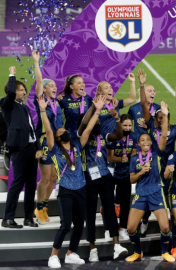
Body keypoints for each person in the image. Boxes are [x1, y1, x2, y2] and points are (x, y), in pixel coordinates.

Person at [40, 95, 105, 268]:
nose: (65, 132)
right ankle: (53, 256)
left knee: (79, 225)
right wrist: (42, 110)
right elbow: (48, 130)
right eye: (61, 133)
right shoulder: (55, 150)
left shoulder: (77, 147)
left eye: (65, 131)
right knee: (65, 225)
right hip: (66, 190)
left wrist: (97, 111)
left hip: (81, 189)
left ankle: (71, 253)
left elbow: (87, 130)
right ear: (58, 138)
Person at [77, 94, 128, 262]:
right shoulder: (82, 138)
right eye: (95, 120)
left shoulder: (103, 137)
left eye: (98, 120)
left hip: (105, 176)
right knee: (90, 213)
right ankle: (92, 249)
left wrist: (118, 119)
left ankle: (116, 245)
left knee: (110, 210)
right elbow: (85, 124)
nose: (98, 122)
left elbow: (119, 135)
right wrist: (96, 110)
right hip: (89, 177)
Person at [124, 101, 175, 263]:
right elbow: (131, 179)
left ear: (151, 142)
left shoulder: (157, 153)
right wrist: (140, 172)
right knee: (131, 228)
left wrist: (165, 116)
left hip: (156, 191)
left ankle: (165, 252)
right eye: (142, 140)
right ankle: (138, 252)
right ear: (138, 144)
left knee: (165, 227)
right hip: (140, 193)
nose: (146, 141)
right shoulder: (134, 159)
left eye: (148, 139)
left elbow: (165, 135)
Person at [139, 68, 176, 242]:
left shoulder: (174, 129)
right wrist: (142, 85)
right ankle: (144, 219)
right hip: (152, 167)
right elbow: (144, 105)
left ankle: (175, 236)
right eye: (158, 117)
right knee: (150, 195)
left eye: (163, 117)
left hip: (168, 168)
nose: (159, 120)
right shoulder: (150, 126)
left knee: (168, 200)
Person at [1, 66, 42, 229]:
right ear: (12, 91)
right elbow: (10, 94)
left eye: (24, 90)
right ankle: (7, 218)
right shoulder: (6, 104)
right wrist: (12, 75)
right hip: (18, 148)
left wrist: (38, 147)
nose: (24, 92)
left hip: (31, 148)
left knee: (32, 184)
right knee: (17, 182)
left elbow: (32, 128)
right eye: (20, 90)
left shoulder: (25, 108)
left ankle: (28, 217)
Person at [32, 50, 63, 225]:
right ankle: (38, 207)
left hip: (56, 142)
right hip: (44, 140)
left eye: (54, 85)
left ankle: (43, 206)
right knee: (45, 178)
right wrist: (37, 63)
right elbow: (38, 81)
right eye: (50, 85)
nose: (54, 87)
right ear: (44, 89)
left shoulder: (56, 102)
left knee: (53, 178)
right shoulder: (41, 100)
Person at [106, 114, 137, 240]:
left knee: (125, 202)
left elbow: (134, 155)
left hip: (125, 173)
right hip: (112, 172)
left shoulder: (134, 136)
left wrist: (129, 162)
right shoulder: (113, 136)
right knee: (108, 202)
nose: (128, 128)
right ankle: (109, 229)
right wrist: (121, 159)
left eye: (130, 125)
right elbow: (109, 157)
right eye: (125, 125)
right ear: (119, 125)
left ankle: (122, 228)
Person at [57, 75, 93, 139]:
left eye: (83, 82)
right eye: (79, 83)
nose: (82, 85)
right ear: (71, 86)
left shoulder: (87, 98)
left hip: (86, 135)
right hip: (70, 135)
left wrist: (113, 100)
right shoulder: (63, 99)